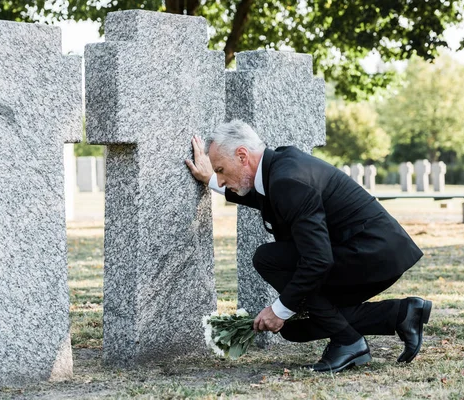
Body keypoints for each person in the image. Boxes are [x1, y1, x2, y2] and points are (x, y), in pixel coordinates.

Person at [185, 120, 432, 373]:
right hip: (369, 250)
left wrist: (279, 310)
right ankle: (400, 313)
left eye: (221, 170)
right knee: (297, 329)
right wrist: (209, 180)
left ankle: (349, 342)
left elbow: (318, 260)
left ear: (242, 155)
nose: (222, 179)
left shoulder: (287, 179)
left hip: (372, 254)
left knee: (268, 259)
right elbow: (261, 195)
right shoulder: (278, 168)